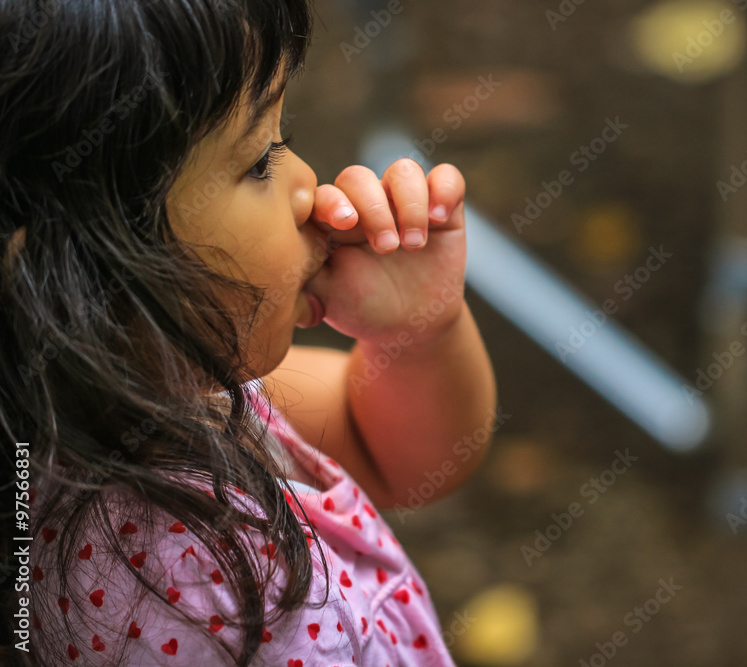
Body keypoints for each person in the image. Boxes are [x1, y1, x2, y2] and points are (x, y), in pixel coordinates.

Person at [0, 0, 496, 664]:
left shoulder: (167, 390)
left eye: (282, 136)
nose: (306, 183)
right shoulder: (191, 594)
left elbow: (391, 452)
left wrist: (421, 332)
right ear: (68, 275)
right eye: (259, 160)